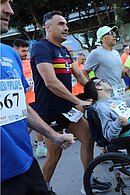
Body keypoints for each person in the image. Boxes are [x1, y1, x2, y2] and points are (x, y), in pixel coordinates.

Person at [30, 11, 108, 194]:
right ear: (48, 27)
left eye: (66, 24)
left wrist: (98, 89)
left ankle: (88, 181)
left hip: (67, 109)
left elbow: (80, 75)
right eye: (60, 24)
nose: (66, 28)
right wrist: (78, 100)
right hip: (50, 111)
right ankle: (43, 189)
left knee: (88, 137)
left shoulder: (64, 50)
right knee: (54, 154)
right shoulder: (42, 48)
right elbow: (51, 82)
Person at [1, 2, 75, 195]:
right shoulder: (41, 49)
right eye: (1, 2)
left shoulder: (10, 54)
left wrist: (54, 136)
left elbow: (21, 106)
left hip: (26, 162)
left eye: (9, 3)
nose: (10, 10)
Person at [13, 39, 48, 158]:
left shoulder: (29, 61)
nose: (25, 53)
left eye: (27, 51)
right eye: (23, 51)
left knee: (38, 121)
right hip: (20, 102)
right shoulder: (12, 64)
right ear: (15, 49)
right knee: (27, 126)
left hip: (34, 98)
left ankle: (40, 147)